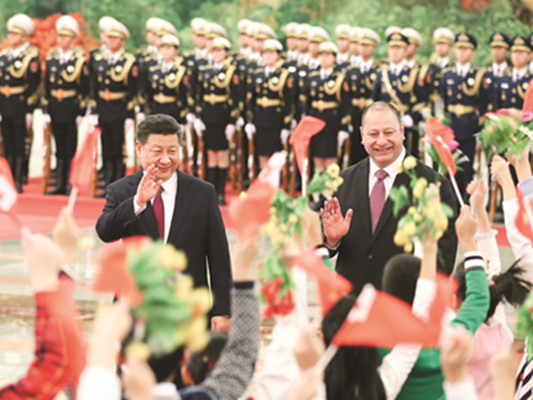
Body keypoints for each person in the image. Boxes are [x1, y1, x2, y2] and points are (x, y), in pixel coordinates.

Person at [77, 234, 260, 400]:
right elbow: (241, 355)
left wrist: (104, 343)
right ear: (185, 360)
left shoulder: (98, 393)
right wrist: (242, 272)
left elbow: (86, 372)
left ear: (120, 358)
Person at [95, 114, 232, 330]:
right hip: (136, 309)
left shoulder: (202, 193)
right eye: (157, 151)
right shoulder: (122, 191)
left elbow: (219, 256)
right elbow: (105, 231)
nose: (166, 159)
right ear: (139, 149)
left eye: (172, 151)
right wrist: (137, 203)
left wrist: (222, 311)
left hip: (188, 311)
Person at [321, 101, 457, 294]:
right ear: (362, 135)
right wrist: (332, 240)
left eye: (389, 132)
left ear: (401, 131)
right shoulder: (343, 181)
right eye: (373, 134)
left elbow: (444, 255)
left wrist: (425, 302)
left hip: (405, 305)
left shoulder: (431, 184)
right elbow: (320, 244)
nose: (381, 141)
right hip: (352, 304)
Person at [91, 19, 138, 196]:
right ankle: (108, 183)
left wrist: (129, 114)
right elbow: (94, 88)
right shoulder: (100, 60)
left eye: (114, 38)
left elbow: (133, 92)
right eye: (108, 38)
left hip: (119, 109)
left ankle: (118, 185)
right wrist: (94, 111)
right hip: (104, 108)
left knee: (119, 148)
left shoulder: (129, 61)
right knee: (106, 146)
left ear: (121, 41)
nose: (110, 41)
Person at [43, 15, 89, 195]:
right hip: (55, 106)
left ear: (73, 38)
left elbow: (84, 88)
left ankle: (69, 182)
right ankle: (59, 182)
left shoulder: (79, 59)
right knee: (58, 146)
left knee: (70, 147)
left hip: (71, 107)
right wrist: (46, 108)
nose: (62, 40)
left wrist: (81, 112)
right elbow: (47, 85)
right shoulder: (52, 58)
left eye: (66, 36)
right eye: (60, 36)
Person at [193, 37, 241, 204]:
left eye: (220, 51)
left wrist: (232, 121)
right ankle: (211, 190)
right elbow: (198, 94)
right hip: (208, 116)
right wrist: (198, 117)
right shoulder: (205, 70)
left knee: (222, 154)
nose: (216, 54)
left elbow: (236, 98)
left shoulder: (232, 71)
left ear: (226, 53)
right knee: (210, 154)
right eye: (214, 50)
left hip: (223, 116)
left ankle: (220, 192)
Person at [0, 13, 40, 193]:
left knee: (19, 144)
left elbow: (33, 85)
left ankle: (18, 178)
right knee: (7, 144)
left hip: (20, 105)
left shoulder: (31, 56)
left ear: (24, 36)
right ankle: (7, 179)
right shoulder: (4, 55)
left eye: (16, 34)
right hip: (5, 104)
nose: (11, 37)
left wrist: (30, 110)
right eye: (10, 33)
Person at [245, 39, 295, 170]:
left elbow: (289, 102)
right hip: (260, 119)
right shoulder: (257, 74)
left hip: (276, 121)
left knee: (275, 157)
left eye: (271, 53)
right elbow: (250, 99)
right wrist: (249, 121)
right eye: (265, 53)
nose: (268, 56)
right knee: (262, 154)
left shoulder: (285, 75)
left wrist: (286, 125)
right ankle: (264, 186)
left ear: (278, 55)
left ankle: (275, 187)